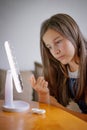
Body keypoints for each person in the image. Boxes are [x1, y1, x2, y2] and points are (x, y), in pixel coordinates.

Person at [30, 13, 87, 114]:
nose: (54, 51)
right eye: (49, 47)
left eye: (58, 42)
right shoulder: (62, 70)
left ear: (73, 34)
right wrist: (43, 95)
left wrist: (60, 108)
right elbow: (47, 111)